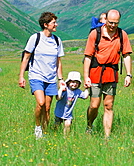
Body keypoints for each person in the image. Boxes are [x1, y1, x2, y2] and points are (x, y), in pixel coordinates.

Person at [83, 9, 133, 138]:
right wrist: (86, 77)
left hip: (112, 73)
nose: (113, 25)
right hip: (95, 72)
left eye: (116, 23)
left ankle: (107, 137)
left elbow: (126, 55)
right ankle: (89, 125)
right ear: (105, 20)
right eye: (110, 22)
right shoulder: (95, 34)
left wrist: (128, 74)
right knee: (94, 105)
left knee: (108, 105)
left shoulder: (122, 35)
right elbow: (88, 56)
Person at [19, 11, 66, 139]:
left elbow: (58, 62)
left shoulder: (57, 40)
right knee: (40, 103)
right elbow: (26, 58)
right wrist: (21, 76)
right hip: (36, 76)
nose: (56, 24)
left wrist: (61, 79)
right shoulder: (35, 38)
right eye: (53, 22)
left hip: (51, 78)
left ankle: (45, 133)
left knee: (47, 107)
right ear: (46, 25)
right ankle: (38, 128)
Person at [54, 71, 89, 136]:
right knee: (57, 125)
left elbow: (85, 96)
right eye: (72, 82)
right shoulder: (65, 90)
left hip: (68, 114)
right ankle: (55, 134)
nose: (74, 84)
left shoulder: (77, 91)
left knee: (68, 124)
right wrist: (61, 89)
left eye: (77, 82)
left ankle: (65, 137)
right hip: (59, 112)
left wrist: (86, 88)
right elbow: (58, 97)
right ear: (68, 82)